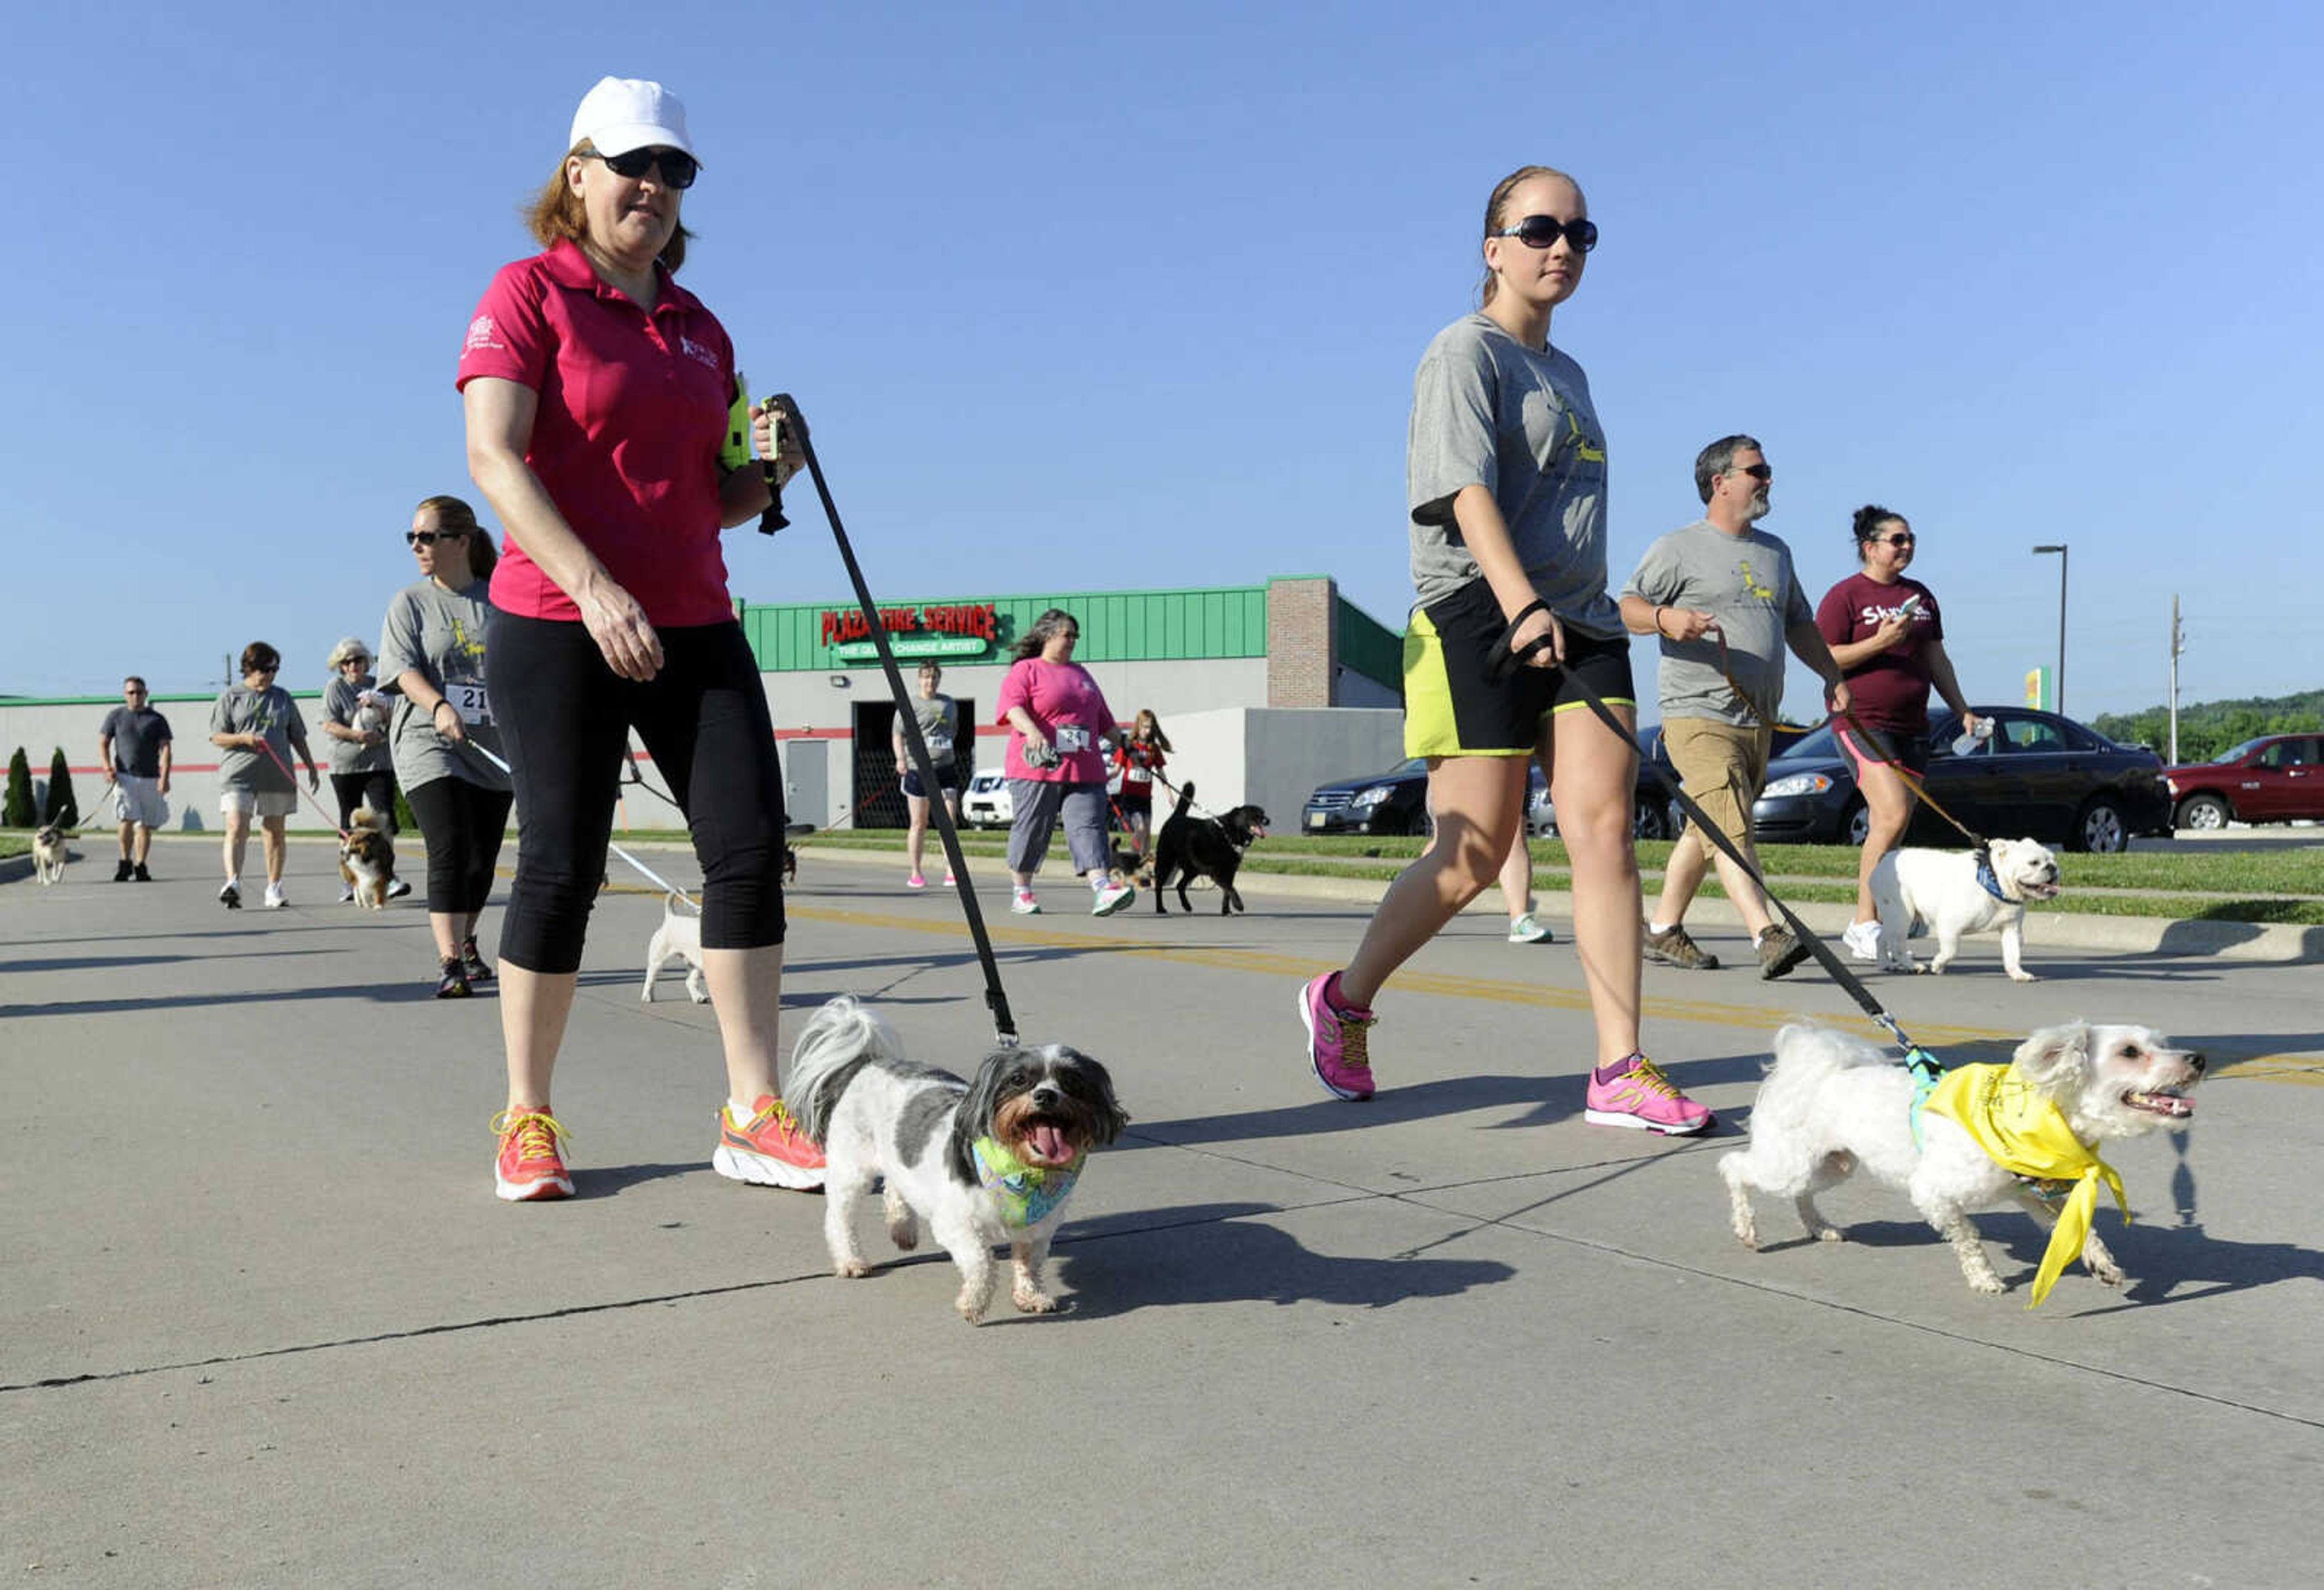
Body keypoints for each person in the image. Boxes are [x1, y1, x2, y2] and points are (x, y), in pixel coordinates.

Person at [458, 75, 816, 1201]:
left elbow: (698, 496)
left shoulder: (700, 327)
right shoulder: (529, 293)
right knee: (561, 864)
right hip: (557, 619)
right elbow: (493, 459)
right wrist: (595, 586)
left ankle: (753, 1108)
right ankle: (527, 1116)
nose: (654, 188)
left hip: (695, 617)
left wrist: (768, 477)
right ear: (578, 173)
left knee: (750, 845)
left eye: (675, 171)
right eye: (633, 165)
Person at [1297, 164, 1709, 1134]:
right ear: (1493, 249)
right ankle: (1344, 999)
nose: (1561, 246)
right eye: (1539, 230)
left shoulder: (1569, 373)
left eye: (1579, 233)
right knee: (1473, 852)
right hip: (1478, 614)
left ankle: (1619, 1067)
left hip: (1586, 623)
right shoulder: (1461, 353)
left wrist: (1570, 608)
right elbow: (1465, 492)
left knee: (1604, 829)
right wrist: (1522, 606)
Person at [1618, 435, 1850, 979]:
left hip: (1756, 719)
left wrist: (1833, 675)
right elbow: (1626, 606)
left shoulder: (1776, 551)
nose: (1767, 479)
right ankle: (1765, 933)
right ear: (1720, 482)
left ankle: (1662, 930)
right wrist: (1664, 619)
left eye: (1767, 470)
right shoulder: (1677, 548)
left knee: (1709, 827)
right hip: (1697, 712)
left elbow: (1799, 624)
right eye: (1756, 470)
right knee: (1730, 822)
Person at [1817, 505, 1983, 961]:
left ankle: (1886, 918)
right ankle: (1863, 922)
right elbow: (1824, 655)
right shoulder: (1845, 596)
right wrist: (1879, 643)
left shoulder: (1922, 597)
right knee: (1889, 815)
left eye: (1910, 539)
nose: (1907, 546)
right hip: (1861, 721)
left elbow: (1937, 660)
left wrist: (1962, 710)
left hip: (1913, 726)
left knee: (1894, 825)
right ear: (1870, 548)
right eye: (1897, 540)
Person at [378, 497, 515, 998]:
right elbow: (402, 670)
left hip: (492, 747)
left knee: (482, 858)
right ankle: (450, 960)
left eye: (427, 536)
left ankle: (469, 938)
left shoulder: (500, 598)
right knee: (450, 844)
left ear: (461, 541)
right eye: (412, 537)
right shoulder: (410, 603)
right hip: (428, 740)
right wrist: (438, 706)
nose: (417, 546)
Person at [997, 608, 1136, 918]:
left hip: (1084, 767)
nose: (1072, 640)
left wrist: (1129, 747)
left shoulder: (1081, 674)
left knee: (1089, 826)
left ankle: (1102, 889)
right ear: (1048, 635)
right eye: (1067, 635)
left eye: (1076, 636)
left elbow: (1104, 721)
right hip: (1039, 766)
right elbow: (1011, 709)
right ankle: (1022, 891)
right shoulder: (1026, 670)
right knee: (1033, 827)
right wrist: (1031, 730)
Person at [208, 642, 317, 910]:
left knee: (274, 831)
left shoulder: (283, 698)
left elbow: (297, 736)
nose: (269, 675)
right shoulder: (230, 696)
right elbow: (217, 736)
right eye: (264, 669)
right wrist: (244, 738)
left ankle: (274, 887)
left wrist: (311, 766)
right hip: (239, 772)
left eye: (274, 670)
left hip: (276, 772)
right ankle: (233, 882)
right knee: (236, 826)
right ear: (249, 668)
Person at [320, 638, 411, 903]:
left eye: (358, 660)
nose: (353, 666)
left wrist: (381, 711)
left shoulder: (378, 685)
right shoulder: (335, 688)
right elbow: (328, 724)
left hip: (379, 761)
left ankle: (388, 875)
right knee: (349, 822)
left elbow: (396, 716)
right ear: (340, 665)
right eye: (347, 662)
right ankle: (350, 879)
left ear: (366, 662)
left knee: (384, 819)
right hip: (346, 764)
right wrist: (357, 735)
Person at [894, 660, 962, 889]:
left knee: (948, 821)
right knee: (919, 822)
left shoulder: (949, 704)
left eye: (934, 677)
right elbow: (898, 734)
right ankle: (916, 871)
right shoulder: (910, 704)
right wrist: (901, 759)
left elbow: (953, 730)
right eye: (926, 677)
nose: (930, 681)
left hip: (945, 767)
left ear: (939, 679)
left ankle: (952, 870)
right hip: (917, 769)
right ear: (919, 679)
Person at [97, 676, 172, 882]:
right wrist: (107, 768)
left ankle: (140, 865)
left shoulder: (157, 720)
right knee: (126, 819)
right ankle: (124, 863)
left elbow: (166, 749)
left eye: (139, 692)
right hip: (125, 777)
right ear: (125, 695)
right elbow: (103, 743)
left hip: (150, 778)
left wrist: (165, 777)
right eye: (131, 692)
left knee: (145, 824)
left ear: (146, 694)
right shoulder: (116, 716)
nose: (135, 696)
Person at [1110, 708, 1170, 857]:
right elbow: (1117, 771)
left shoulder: (1154, 749)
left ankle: (1144, 863)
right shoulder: (1129, 746)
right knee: (1141, 828)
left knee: (1147, 832)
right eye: (1145, 727)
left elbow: (1162, 775)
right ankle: (1134, 859)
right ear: (1138, 726)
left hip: (1145, 798)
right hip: (1130, 796)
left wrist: (1170, 795)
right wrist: (1103, 778)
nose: (1147, 731)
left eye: (1150, 728)